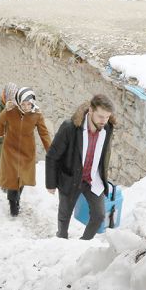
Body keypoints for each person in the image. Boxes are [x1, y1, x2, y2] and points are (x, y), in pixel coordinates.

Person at [45, 94, 116, 240]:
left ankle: (82, 244)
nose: (104, 121)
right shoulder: (70, 128)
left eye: (107, 117)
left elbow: (103, 153)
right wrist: (51, 183)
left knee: (99, 216)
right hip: (70, 177)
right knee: (64, 215)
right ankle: (61, 238)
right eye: (101, 116)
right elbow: (52, 156)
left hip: (92, 179)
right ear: (90, 111)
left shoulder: (107, 128)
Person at [0, 87, 51, 216]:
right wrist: (5, 111)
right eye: (23, 104)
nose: (26, 107)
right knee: (12, 179)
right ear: (18, 102)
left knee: (22, 178)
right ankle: (12, 204)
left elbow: (44, 133)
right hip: (10, 150)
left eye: (29, 104)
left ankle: (16, 198)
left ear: (32, 102)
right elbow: (0, 124)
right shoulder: (10, 110)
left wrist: (51, 150)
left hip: (27, 152)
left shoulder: (37, 114)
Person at [0, 83, 18, 165]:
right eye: (11, 96)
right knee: (2, 159)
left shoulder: (14, 101)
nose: (12, 98)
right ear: (6, 94)